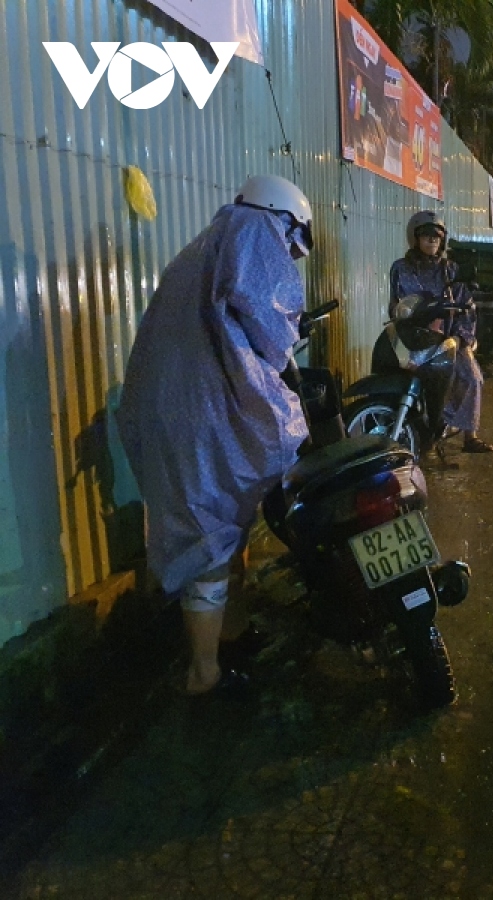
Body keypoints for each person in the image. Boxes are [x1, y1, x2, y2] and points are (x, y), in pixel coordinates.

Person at [116, 174, 315, 697]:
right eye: (292, 247)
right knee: (207, 538)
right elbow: (269, 323)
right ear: (284, 219)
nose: (289, 260)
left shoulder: (204, 244)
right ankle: (203, 674)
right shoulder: (252, 231)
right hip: (200, 414)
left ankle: (231, 636)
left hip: (174, 408)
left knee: (223, 528)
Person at [390, 211, 493, 453]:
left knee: (472, 377)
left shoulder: (452, 270)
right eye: (426, 236)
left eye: (437, 237)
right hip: (414, 339)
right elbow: (394, 304)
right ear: (414, 238)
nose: (432, 241)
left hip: (449, 341)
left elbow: (467, 307)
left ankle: (469, 435)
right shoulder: (400, 268)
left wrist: (460, 338)